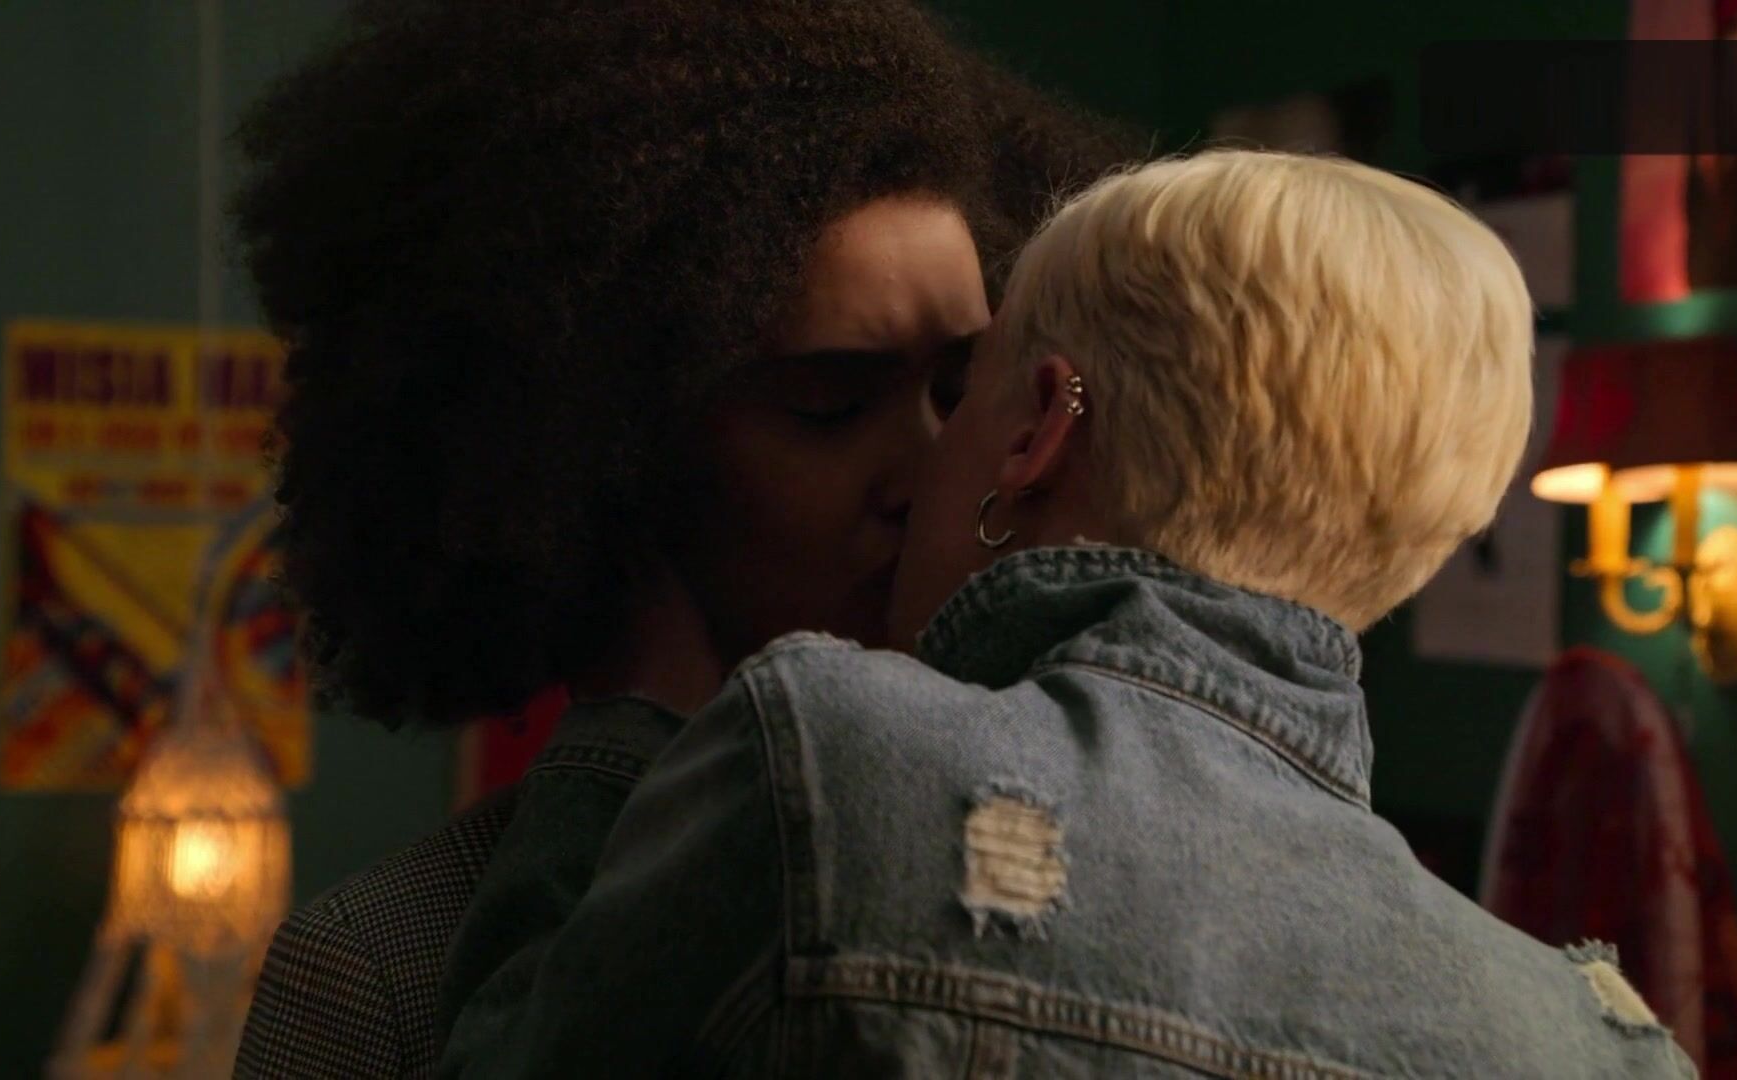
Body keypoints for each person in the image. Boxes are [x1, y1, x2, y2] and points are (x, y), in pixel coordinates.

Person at [438, 150, 1700, 1077]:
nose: (916, 463)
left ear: (1042, 426)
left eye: (961, 395)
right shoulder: (1603, 1047)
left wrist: (625, 720)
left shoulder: (821, 761)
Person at [228, 1, 1136, 1075]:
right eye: (830, 407)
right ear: (611, 449)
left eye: (960, 390)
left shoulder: (1096, 874)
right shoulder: (387, 972)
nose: (933, 472)